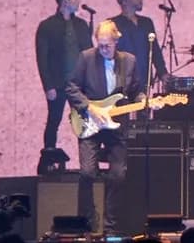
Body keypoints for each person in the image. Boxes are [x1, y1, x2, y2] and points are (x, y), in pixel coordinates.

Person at [65, 20, 143, 238]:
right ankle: (88, 222)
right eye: (100, 45)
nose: (103, 49)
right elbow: (71, 87)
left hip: (116, 126)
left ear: (116, 41)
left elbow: (137, 89)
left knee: (118, 175)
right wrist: (89, 108)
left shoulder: (129, 61)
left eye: (107, 45)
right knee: (87, 173)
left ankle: (110, 226)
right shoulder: (86, 57)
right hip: (90, 122)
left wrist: (144, 100)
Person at [36, 0, 95, 156]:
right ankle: (49, 157)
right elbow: (43, 59)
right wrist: (48, 86)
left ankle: (88, 159)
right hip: (58, 83)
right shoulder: (47, 26)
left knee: (84, 122)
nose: (79, 1)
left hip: (78, 84)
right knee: (54, 120)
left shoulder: (81, 25)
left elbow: (88, 54)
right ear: (66, 1)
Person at [110, 0, 171, 91]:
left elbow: (154, 49)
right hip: (121, 80)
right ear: (124, 1)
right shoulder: (112, 23)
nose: (141, 0)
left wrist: (162, 73)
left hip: (143, 78)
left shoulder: (146, 22)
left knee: (143, 106)